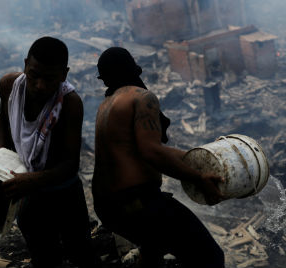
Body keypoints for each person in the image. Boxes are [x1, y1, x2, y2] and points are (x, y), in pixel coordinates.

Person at [92, 47, 226, 268]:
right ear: (133, 68)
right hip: (137, 204)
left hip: (109, 207)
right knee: (209, 257)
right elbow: (151, 151)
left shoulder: (106, 105)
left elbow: (141, 149)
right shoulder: (142, 97)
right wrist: (198, 178)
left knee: (152, 248)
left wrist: (194, 159)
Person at [0, 36, 100, 268]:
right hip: (27, 194)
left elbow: (70, 165)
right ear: (25, 65)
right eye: (34, 75)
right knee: (43, 254)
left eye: (50, 78)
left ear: (64, 74)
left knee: (81, 253)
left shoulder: (70, 104)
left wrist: (31, 180)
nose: (40, 85)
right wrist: (0, 161)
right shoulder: (9, 86)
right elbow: (2, 120)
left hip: (63, 194)